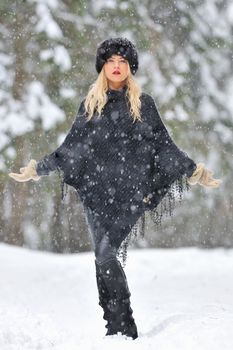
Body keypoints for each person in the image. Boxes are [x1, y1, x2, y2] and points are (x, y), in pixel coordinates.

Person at [9, 37, 222, 340]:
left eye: (123, 61)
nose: (117, 66)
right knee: (101, 256)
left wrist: (194, 171)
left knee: (107, 252)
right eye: (111, 61)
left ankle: (125, 327)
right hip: (96, 193)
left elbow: (164, 146)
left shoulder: (143, 104)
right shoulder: (91, 105)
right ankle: (113, 326)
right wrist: (38, 169)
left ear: (130, 67)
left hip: (131, 193)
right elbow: (71, 148)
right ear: (103, 67)